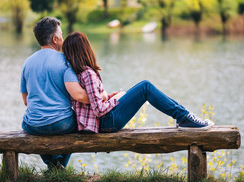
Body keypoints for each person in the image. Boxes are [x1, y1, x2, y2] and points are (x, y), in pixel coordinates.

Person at [62, 32, 214, 134]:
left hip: (100, 122)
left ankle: (184, 116)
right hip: (106, 123)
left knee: (142, 87)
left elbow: (93, 101)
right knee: (145, 87)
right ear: (85, 49)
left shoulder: (78, 73)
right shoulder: (88, 73)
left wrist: (108, 97)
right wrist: (116, 100)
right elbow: (99, 110)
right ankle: (185, 117)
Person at [20, 17, 89, 170]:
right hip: (62, 124)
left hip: (35, 125)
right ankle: (59, 165)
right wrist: (100, 97)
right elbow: (78, 95)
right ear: (55, 39)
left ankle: (53, 164)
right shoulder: (65, 61)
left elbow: (26, 100)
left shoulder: (28, 63)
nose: (63, 39)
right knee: (79, 120)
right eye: (62, 35)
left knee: (27, 121)